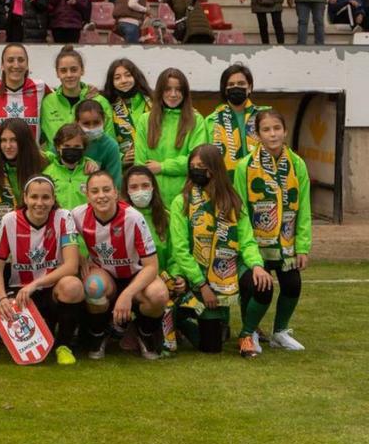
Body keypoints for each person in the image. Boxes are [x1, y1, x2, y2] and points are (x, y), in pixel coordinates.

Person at [169, 145, 271, 356]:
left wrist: (257, 266)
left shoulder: (232, 201)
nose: (196, 170)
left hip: (229, 268)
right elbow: (180, 250)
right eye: (193, 166)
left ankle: (246, 334)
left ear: (215, 169)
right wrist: (201, 284)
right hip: (197, 273)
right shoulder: (182, 202)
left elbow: (247, 241)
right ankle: (179, 319)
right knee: (211, 347)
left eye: (202, 167)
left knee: (263, 284)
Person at [232, 110, 311, 352]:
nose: (272, 134)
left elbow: (304, 206)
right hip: (255, 245)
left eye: (277, 128)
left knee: (292, 284)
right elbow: (241, 210)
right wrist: (250, 254)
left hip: (286, 244)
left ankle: (280, 332)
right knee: (261, 288)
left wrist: (303, 246)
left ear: (285, 131)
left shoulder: (297, 164)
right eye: (266, 129)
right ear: (257, 135)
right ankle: (248, 333)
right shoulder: (244, 166)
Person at [0, 176, 85, 365]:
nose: (39, 203)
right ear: (24, 198)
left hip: (50, 289)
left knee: (73, 286)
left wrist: (35, 284)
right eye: (34, 197)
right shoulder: (9, 220)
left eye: (45, 197)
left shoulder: (63, 217)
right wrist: (2, 299)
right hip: (21, 293)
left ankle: (63, 345)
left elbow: (72, 265)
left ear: (53, 198)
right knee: (27, 346)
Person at [74, 171, 168, 360]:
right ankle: (99, 334)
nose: (101, 196)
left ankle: (145, 332)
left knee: (158, 295)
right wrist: (80, 257)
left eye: (106, 190)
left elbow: (151, 266)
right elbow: (60, 233)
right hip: (105, 275)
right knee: (93, 286)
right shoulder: (77, 215)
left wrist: (127, 294)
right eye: (95, 191)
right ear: (88, 196)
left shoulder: (133, 218)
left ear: (116, 193)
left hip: (135, 274)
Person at [135, 68, 207, 202]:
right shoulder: (145, 120)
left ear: (185, 93)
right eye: (167, 89)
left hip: (185, 198)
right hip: (153, 200)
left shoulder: (196, 120)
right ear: (159, 91)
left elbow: (197, 162)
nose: (173, 94)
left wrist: (162, 167)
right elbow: (140, 164)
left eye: (178, 89)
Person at [40, 45, 114, 146]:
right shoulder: (47, 103)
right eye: (63, 70)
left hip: (94, 161)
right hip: (56, 161)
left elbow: (110, 141)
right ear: (57, 73)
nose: (69, 75)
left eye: (74, 69)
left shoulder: (100, 101)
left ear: (82, 70)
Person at [103, 58, 153, 169]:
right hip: (124, 174)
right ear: (111, 82)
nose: (124, 80)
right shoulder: (107, 106)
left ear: (136, 77)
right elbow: (104, 139)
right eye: (117, 78)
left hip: (153, 167)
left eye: (128, 75)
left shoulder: (153, 102)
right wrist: (121, 158)